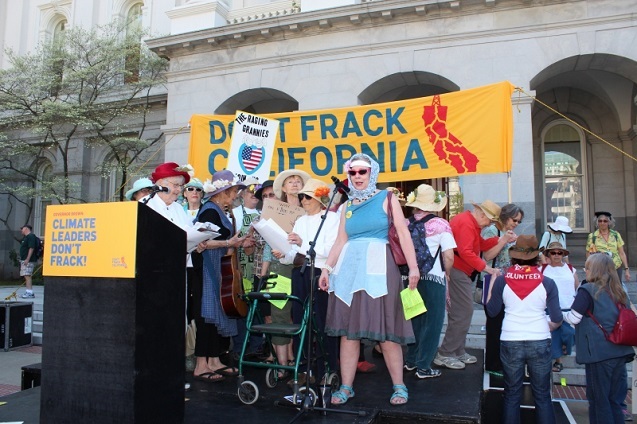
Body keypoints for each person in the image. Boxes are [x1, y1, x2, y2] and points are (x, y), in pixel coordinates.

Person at [318, 153, 419, 406]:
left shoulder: (387, 197)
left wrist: (414, 267)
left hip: (380, 268)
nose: (357, 176)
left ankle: (399, 385)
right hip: (350, 270)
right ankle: (346, 386)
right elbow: (341, 240)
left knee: (386, 331)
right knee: (348, 334)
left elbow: (404, 234)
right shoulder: (346, 206)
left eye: (362, 171)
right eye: (353, 172)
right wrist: (326, 269)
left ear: (371, 173)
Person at [486, 235, 563, 424]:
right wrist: (548, 326)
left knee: (512, 394)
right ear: (537, 257)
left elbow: (491, 310)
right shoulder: (547, 282)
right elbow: (557, 318)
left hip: (511, 339)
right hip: (539, 339)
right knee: (542, 395)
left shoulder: (503, 280)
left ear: (514, 256)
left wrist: (491, 286)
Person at [435, 200, 516, 370]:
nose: (490, 224)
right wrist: (486, 268)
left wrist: (501, 239)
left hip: (460, 270)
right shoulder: (466, 223)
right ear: (482, 214)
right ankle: (446, 353)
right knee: (463, 312)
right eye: (490, 221)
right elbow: (466, 252)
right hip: (458, 270)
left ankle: (456, 350)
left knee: (461, 312)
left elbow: (479, 245)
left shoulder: (470, 222)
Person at [273, 178, 340, 383]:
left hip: (321, 273)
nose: (303, 200)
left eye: (307, 196)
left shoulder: (332, 219)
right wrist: (283, 253)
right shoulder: (301, 221)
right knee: (300, 319)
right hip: (301, 273)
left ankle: (326, 369)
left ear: (320, 198)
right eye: (301, 196)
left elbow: (331, 250)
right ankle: (305, 368)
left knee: (321, 322)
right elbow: (296, 253)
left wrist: (301, 244)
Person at [563, 253, 635, 424]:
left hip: (598, 354)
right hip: (620, 351)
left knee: (599, 401)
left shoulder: (587, 289)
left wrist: (555, 314)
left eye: (587, 267)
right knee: (614, 402)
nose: (584, 270)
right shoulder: (619, 291)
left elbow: (574, 318)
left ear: (594, 269)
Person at [191, 170, 247, 383]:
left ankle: (214, 360)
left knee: (216, 313)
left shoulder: (220, 211)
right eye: (234, 191)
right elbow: (200, 242)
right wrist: (228, 243)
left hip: (217, 267)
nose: (236, 196)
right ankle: (201, 364)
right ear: (223, 192)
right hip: (207, 268)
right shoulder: (209, 211)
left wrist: (237, 243)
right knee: (207, 315)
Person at [402, 184, 456, 379]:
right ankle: (424, 366)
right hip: (433, 278)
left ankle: (411, 360)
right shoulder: (440, 224)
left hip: (409, 278)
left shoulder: (405, 224)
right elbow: (448, 255)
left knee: (415, 320)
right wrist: (446, 273)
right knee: (432, 322)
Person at [267, 169, 311, 376]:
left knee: (305, 312)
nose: (294, 184)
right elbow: (266, 239)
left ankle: (304, 360)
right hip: (278, 265)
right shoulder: (273, 210)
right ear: (283, 188)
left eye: (298, 181)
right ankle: (282, 365)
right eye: (290, 181)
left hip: (304, 266)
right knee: (279, 314)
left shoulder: (312, 210)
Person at [481, 203, 524, 373]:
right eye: (515, 220)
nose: (516, 224)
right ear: (506, 217)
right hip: (493, 282)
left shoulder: (511, 234)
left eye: (519, 222)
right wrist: (504, 240)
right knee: (494, 324)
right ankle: (492, 364)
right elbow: (487, 255)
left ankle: (503, 361)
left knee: (505, 323)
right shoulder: (493, 231)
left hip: (510, 284)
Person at [540, 242, 578, 373]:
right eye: (553, 252)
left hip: (568, 306)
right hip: (550, 306)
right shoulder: (542, 269)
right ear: (548, 254)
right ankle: (558, 361)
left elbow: (576, 285)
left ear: (563, 254)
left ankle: (564, 348)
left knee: (569, 333)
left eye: (559, 252)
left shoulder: (570, 268)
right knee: (554, 334)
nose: (556, 255)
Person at [586, 211, 630, 283]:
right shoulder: (592, 236)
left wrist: (626, 269)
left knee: (617, 289)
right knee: (602, 288)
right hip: (600, 267)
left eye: (605, 221)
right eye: (600, 221)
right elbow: (588, 254)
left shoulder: (616, 235)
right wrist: (589, 268)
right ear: (597, 222)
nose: (602, 223)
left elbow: (621, 253)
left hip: (616, 266)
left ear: (609, 222)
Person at [19, 225, 39, 299]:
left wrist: (27, 258)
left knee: (27, 275)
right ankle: (28, 291)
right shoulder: (26, 237)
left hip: (28, 260)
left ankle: (29, 292)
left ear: (27, 229)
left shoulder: (31, 236)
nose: (21, 230)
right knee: (26, 275)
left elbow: (31, 248)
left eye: (22, 228)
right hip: (24, 260)